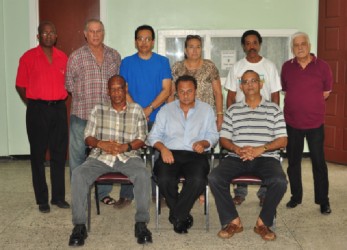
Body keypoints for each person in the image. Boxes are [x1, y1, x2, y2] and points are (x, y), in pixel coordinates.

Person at [68, 75, 152, 246]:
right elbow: (88, 136)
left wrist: (125, 147)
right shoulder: (97, 109)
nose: (116, 92)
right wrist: (101, 144)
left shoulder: (136, 110)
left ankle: (141, 224)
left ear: (125, 89)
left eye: (119, 88)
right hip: (100, 156)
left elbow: (142, 138)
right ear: (108, 91)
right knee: (78, 174)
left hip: (128, 156)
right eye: (112, 89)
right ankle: (79, 226)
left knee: (143, 174)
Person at [209, 70, 287, 241]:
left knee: (280, 181)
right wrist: (237, 149)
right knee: (215, 177)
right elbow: (224, 139)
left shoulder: (274, 109)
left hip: (266, 157)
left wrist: (261, 149)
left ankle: (263, 223)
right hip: (238, 157)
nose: (250, 85)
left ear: (261, 84)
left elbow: (282, 140)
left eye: (253, 81)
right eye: (245, 82)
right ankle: (233, 221)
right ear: (241, 87)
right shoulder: (233, 110)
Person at [147, 75, 219, 234]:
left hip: (195, 154)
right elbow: (153, 136)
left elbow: (213, 136)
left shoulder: (206, 110)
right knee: (164, 178)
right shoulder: (166, 110)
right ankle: (183, 215)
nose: (186, 95)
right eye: (182, 91)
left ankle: (177, 215)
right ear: (176, 92)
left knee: (198, 180)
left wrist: (204, 143)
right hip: (170, 153)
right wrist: (162, 148)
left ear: (195, 91)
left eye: (189, 91)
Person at [15, 21, 70, 213]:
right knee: (38, 155)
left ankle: (58, 197)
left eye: (51, 33)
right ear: (38, 36)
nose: (48, 35)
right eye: (44, 33)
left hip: (59, 109)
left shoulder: (63, 57)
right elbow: (20, 85)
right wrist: (33, 105)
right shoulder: (28, 57)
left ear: (56, 36)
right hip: (37, 110)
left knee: (59, 154)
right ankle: (42, 199)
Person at [65, 19, 121, 205]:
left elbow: (117, 84)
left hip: (106, 117)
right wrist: (83, 95)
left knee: (103, 155)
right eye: (92, 31)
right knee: (78, 157)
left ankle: (102, 193)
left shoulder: (114, 55)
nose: (96, 35)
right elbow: (69, 84)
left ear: (103, 33)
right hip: (81, 115)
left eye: (99, 31)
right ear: (85, 33)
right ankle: (80, 195)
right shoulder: (76, 56)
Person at [224, 30, 282, 206]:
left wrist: (273, 119)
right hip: (241, 119)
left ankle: (264, 193)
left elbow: (275, 95)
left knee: (265, 156)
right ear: (243, 46)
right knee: (241, 150)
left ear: (259, 44)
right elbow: (231, 96)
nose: (251, 46)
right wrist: (231, 120)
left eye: (254, 42)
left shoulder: (269, 66)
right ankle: (240, 192)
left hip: (264, 119)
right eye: (247, 43)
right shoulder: (237, 67)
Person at [118, 24, 172, 208]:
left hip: (158, 117)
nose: (144, 42)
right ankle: (126, 194)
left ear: (153, 42)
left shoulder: (162, 62)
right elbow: (123, 89)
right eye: (140, 38)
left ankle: (159, 194)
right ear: (135, 41)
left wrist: (148, 110)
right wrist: (137, 112)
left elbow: (167, 90)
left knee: (159, 156)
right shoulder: (126, 62)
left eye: (147, 38)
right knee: (130, 154)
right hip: (133, 117)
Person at [281, 32, 332, 214]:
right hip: (292, 123)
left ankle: (323, 200)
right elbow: (287, 90)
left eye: (303, 44)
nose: (300, 47)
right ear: (292, 48)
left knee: (319, 162)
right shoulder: (287, 67)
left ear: (309, 45)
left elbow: (326, 92)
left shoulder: (323, 67)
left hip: (315, 123)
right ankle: (296, 197)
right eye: (296, 45)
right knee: (293, 162)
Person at [170, 34, 224, 131]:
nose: (195, 50)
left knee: (205, 143)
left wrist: (220, 115)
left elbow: (218, 93)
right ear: (185, 50)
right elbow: (171, 94)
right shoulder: (177, 67)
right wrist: (170, 114)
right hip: (183, 116)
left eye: (198, 47)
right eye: (191, 47)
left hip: (206, 116)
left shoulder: (209, 66)